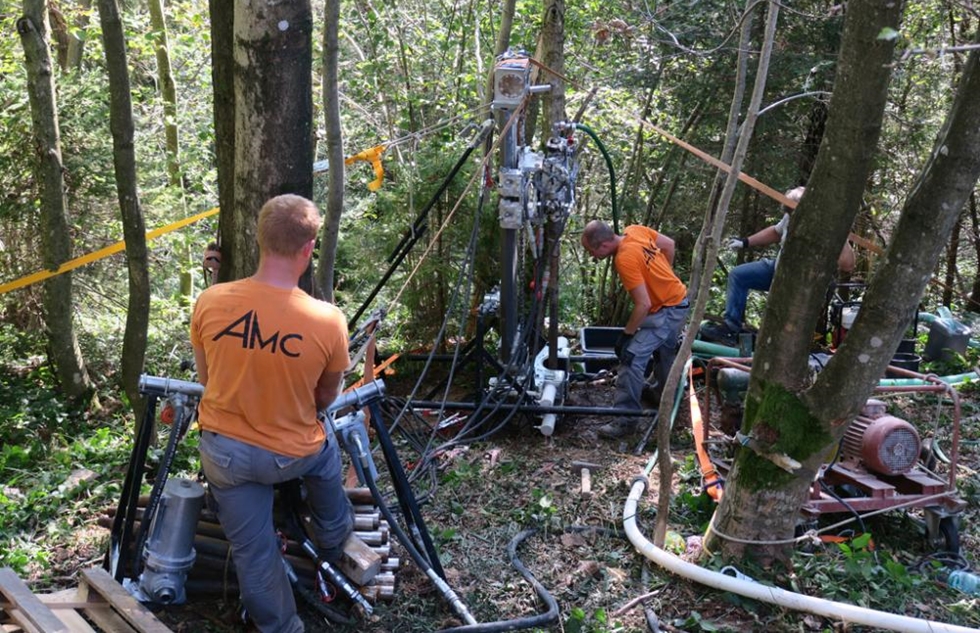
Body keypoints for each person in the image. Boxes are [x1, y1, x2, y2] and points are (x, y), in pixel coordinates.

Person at [190, 194, 353, 633]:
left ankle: (281, 628)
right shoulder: (327, 320)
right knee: (326, 450)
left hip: (225, 455)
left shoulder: (211, 301)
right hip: (291, 454)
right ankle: (334, 539)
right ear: (308, 249)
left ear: (258, 239)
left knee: (253, 550)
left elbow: (209, 380)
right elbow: (324, 399)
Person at [700, 186, 855, 346]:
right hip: (778, 268)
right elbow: (775, 231)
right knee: (739, 275)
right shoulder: (792, 214)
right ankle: (731, 328)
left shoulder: (826, 225)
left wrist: (841, 235)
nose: (790, 216)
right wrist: (745, 242)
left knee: (781, 322)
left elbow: (847, 265)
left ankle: (776, 345)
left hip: (803, 285)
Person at [581, 220, 689, 438]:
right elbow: (669, 245)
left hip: (667, 311)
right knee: (665, 352)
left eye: (592, 251)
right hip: (678, 301)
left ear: (603, 246)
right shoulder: (635, 231)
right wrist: (661, 277)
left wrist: (626, 336)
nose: (593, 257)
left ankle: (626, 421)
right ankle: (663, 397)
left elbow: (643, 305)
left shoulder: (624, 259)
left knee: (631, 358)